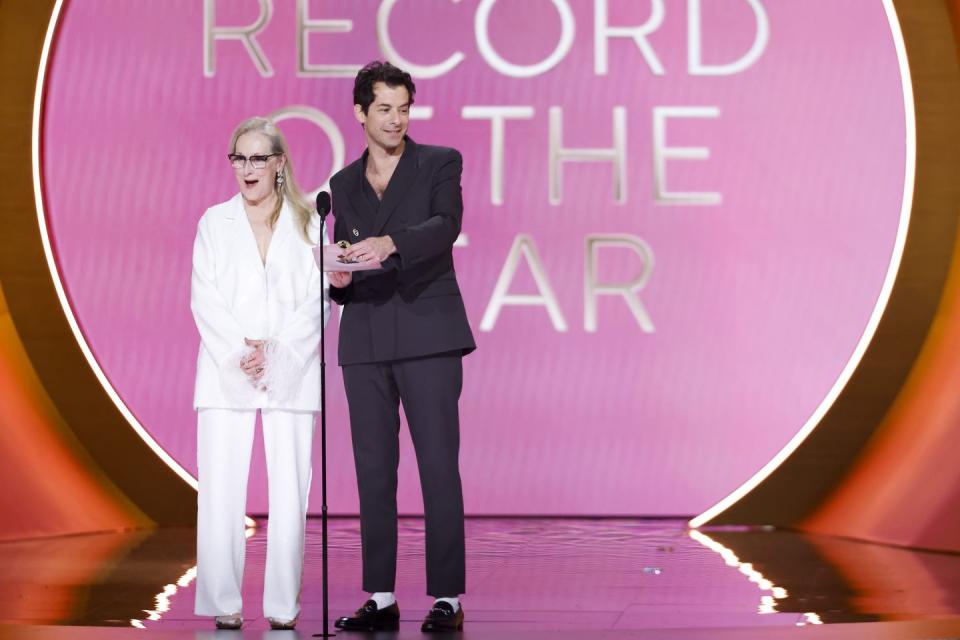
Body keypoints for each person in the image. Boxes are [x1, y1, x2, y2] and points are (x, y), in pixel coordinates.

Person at [328, 61, 476, 634]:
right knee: (373, 470)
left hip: (427, 331)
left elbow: (446, 226)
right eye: (384, 109)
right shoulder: (343, 183)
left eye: (403, 108)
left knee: (438, 464)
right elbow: (349, 252)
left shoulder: (439, 162)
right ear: (361, 113)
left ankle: (446, 596)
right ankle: (381, 595)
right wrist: (338, 278)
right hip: (364, 334)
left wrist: (391, 242)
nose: (395, 119)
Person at [190, 117, 328, 631]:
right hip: (226, 375)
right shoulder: (213, 222)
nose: (246, 169)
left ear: (278, 164)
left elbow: (320, 300)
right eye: (238, 158)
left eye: (256, 158)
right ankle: (224, 601)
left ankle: (282, 607)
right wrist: (240, 353)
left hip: (291, 374)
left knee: (290, 493)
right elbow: (204, 299)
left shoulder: (309, 222)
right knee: (221, 490)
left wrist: (278, 350)